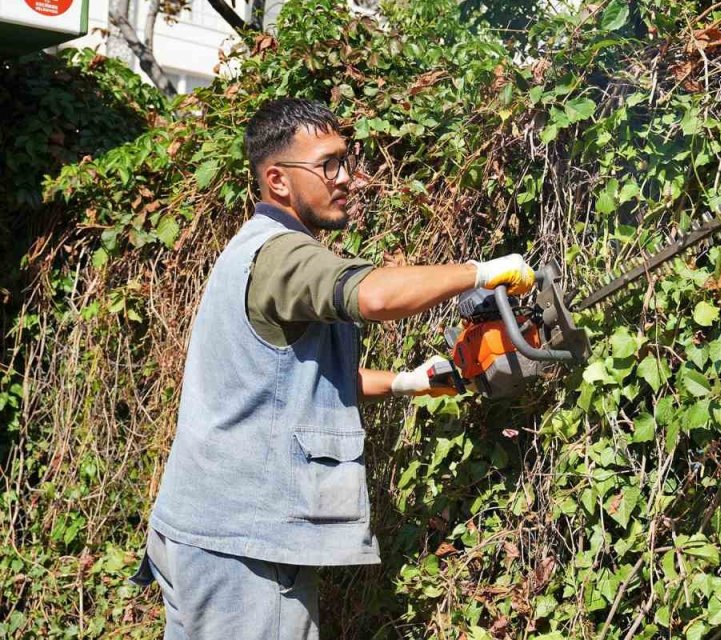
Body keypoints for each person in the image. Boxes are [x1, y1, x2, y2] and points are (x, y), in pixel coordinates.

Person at [130, 97, 534, 639]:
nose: (349, 178)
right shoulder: (283, 256)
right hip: (244, 544)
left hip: (204, 532)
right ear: (277, 180)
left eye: (347, 160)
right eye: (329, 164)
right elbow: (373, 295)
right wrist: (481, 271)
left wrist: (407, 382)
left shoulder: (249, 251)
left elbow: (288, 386)